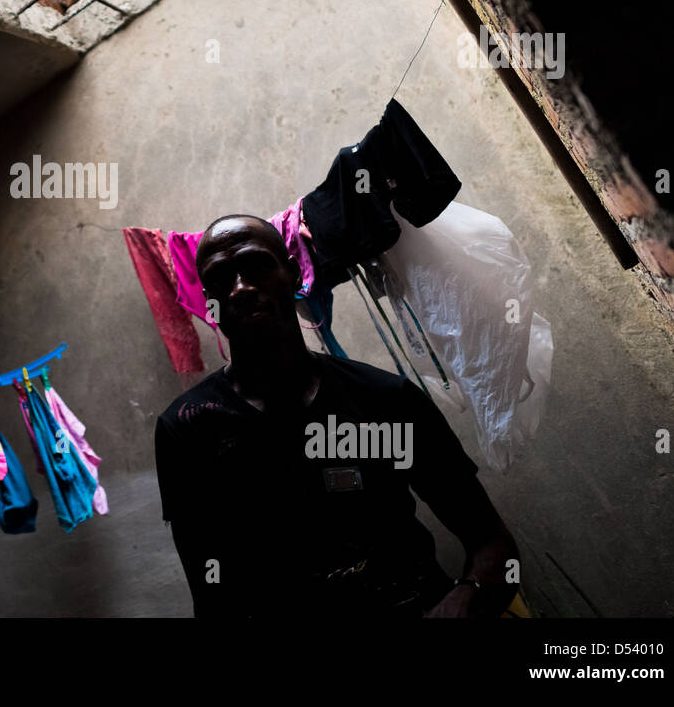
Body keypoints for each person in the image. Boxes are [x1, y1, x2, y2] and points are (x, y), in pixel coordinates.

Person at [154, 214, 519, 618]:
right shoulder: (189, 430)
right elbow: (212, 592)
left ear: (293, 275)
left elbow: (494, 546)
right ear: (209, 302)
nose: (241, 288)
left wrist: (462, 601)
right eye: (222, 278)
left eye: (257, 266)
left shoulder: (385, 400)